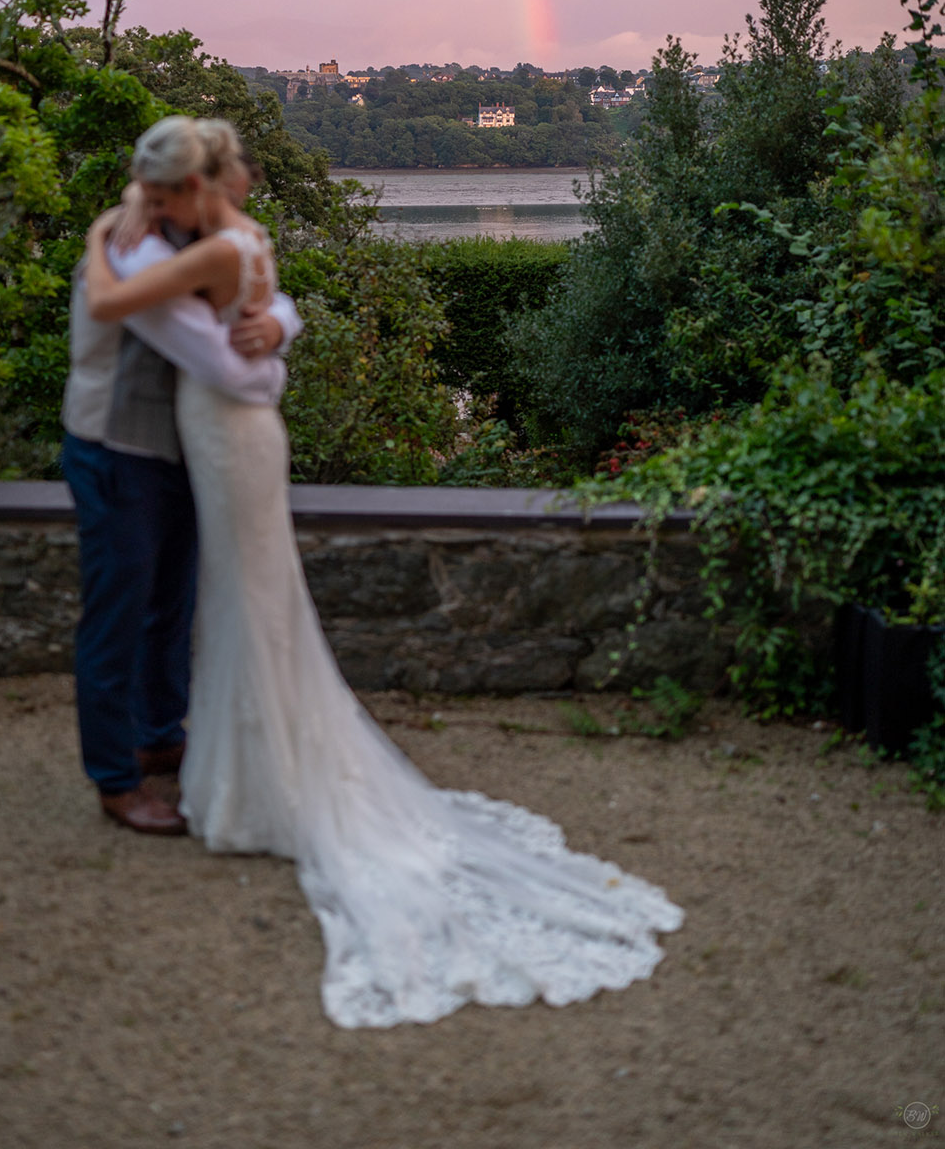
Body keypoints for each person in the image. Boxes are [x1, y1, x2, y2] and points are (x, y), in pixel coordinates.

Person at [85, 114, 683, 1029]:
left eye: (171, 189)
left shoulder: (196, 240)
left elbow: (237, 340)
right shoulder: (163, 230)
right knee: (183, 600)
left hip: (216, 438)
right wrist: (261, 327)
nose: (167, 198)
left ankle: (211, 753)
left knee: (228, 598)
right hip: (139, 443)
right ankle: (139, 769)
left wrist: (273, 338)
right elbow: (174, 312)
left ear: (192, 189)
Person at [61, 134, 302, 836]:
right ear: (191, 189)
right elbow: (224, 363)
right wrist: (275, 362)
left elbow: (259, 295)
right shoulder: (134, 245)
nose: (231, 205)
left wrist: (281, 321)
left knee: (171, 597)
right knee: (117, 609)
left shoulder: (182, 230)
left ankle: (159, 731)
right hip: (116, 445)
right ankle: (115, 778)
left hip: (179, 448)